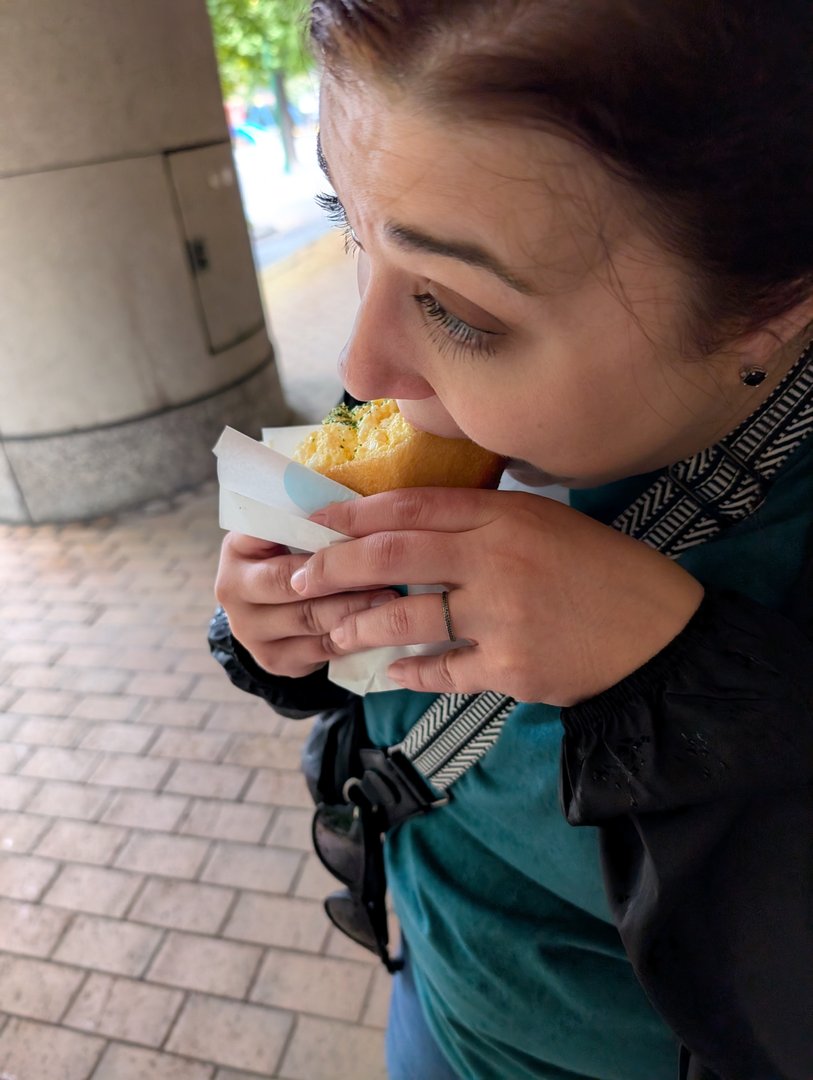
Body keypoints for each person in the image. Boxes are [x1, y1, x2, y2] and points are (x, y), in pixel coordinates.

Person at [210, 2, 813, 1077]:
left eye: (457, 309)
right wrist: (279, 633)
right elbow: (383, 691)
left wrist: (680, 683)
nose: (362, 371)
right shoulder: (426, 404)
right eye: (349, 225)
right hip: (433, 1001)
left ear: (772, 306)